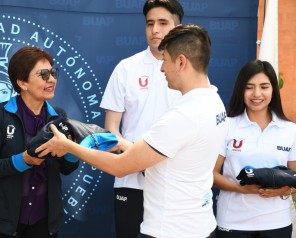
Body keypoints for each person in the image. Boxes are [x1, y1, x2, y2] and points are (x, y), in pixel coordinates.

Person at [36, 24, 228, 238]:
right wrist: (120, 143)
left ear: (181, 62)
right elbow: (169, 156)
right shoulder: (214, 101)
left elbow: (120, 167)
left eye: (164, 60)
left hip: (169, 231)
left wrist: (68, 146)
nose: (162, 68)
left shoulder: (182, 117)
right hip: (201, 226)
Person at [99, 1, 184, 237]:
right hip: (131, 184)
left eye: (163, 23)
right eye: (150, 23)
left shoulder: (188, 70)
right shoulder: (126, 68)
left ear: (178, 27)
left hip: (174, 186)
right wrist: (139, 161)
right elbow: (111, 131)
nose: (155, 29)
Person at [0, 46, 79, 238]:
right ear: (22, 82)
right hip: (3, 224)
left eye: (53, 72)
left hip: (44, 223)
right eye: (43, 74)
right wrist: (24, 160)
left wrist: (71, 151)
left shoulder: (59, 116)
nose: (52, 79)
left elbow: (67, 168)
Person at [213, 59, 296, 238]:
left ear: (273, 89)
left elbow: (295, 177)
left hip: (277, 223)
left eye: (264, 87)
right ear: (241, 90)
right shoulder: (227, 126)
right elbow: (210, 175)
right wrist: (240, 188)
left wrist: (284, 190)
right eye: (249, 87)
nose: (256, 93)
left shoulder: (290, 130)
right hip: (232, 222)